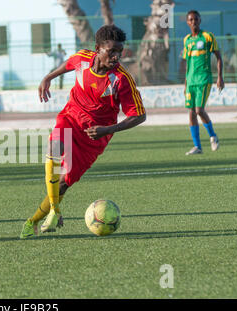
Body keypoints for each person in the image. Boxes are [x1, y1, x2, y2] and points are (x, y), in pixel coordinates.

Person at [20, 25, 146, 239]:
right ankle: (55, 211)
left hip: (95, 137)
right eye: (111, 51)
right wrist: (48, 77)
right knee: (54, 147)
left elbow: (139, 115)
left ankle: (33, 221)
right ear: (98, 48)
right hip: (71, 117)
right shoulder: (81, 59)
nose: (116, 57)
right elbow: (67, 65)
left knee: (63, 184)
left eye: (119, 52)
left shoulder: (122, 79)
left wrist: (108, 129)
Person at [183, 10, 224, 155]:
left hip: (204, 80)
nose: (193, 22)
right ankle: (197, 147)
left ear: (200, 20)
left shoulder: (207, 37)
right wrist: (185, 83)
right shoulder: (187, 40)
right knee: (191, 113)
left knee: (199, 110)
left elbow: (218, 57)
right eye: (190, 20)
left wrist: (220, 76)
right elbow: (188, 63)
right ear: (187, 22)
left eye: (196, 19)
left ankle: (213, 136)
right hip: (191, 82)